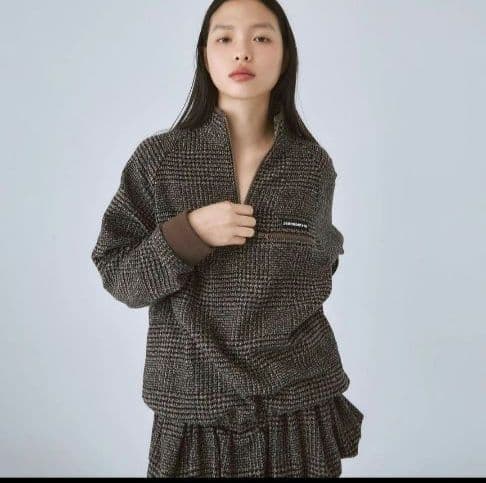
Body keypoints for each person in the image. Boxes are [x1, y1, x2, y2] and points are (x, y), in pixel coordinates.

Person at [91, 0, 364, 478]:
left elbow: (321, 266)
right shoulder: (159, 159)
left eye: (261, 38)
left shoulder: (311, 165)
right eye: (225, 38)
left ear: (285, 54)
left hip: (297, 403)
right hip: (191, 405)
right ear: (205, 54)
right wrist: (188, 234)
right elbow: (119, 275)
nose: (243, 52)